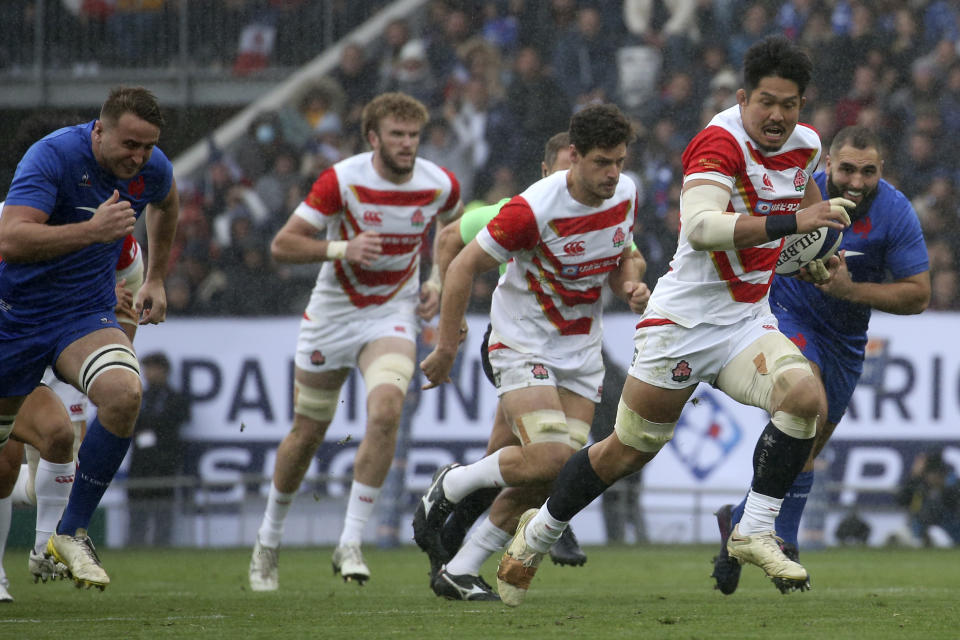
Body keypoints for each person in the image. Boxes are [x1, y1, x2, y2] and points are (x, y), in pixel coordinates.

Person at [493, 35, 856, 607]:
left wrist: (815, 256)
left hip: (744, 323)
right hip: (682, 324)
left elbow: (804, 224)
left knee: (805, 398)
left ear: (802, 107)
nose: (778, 115)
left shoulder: (806, 147)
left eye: (790, 104)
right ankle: (538, 533)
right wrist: (795, 223)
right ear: (743, 97)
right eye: (766, 101)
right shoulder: (718, 141)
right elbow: (702, 229)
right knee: (627, 450)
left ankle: (754, 528)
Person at [417, 103, 648, 601]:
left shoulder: (626, 193)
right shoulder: (531, 209)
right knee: (551, 458)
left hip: (583, 352)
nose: (613, 174)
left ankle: (461, 568)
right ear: (575, 156)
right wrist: (445, 346)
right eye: (602, 163)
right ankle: (453, 483)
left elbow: (621, 254)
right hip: (522, 342)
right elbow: (460, 269)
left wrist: (631, 283)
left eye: (620, 162)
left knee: (550, 475)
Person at [247, 92, 462, 591]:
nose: (407, 144)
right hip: (331, 316)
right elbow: (283, 244)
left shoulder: (439, 184)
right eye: (397, 135)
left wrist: (435, 280)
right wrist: (343, 246)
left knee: (387, 411)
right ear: (373, 138)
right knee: (307, 434)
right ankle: (268, 540)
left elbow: (450, 232)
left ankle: (350, 540)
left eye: (413, 136)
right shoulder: (341, 180)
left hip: (390, 314)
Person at [711, 124, 931, 594]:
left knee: (804, 451)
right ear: (827, 165)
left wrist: (854, 291)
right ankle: (784, 543)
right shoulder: (798, 191)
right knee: (810, 413)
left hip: (847, 340)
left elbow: (919, 294)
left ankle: (738, 522)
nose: (855, 181)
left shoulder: (895, 212)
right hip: (786, 314)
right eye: (847, 169)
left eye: (867, 172)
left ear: (881, 172)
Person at [0, 86, 180, 590]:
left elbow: (168, 201)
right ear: (98, 130)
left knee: (125, 393)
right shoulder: (53, 156)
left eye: (147, 146)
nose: (139, 157)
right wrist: (93, 231)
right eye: (129, 145)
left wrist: (157, 278)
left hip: (82, 315)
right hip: (14, 318)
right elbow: (11, 240)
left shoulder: (153, 167)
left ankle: (71, 531)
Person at [127, 351, 190, 547]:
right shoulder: (139, 397)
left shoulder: (175, 398)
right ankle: (135, 548)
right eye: (146, 369)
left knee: (164, 513)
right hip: (140, 464)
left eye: (152, 369)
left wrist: (152, 427)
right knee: (137, 513)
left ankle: (162, 547)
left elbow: (176, 422)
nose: (148, 373)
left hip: (165, 463)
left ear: (164, 370)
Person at [897, 449, 960, 546]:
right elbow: (901, 500)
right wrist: (913, 478)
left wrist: (940, 488)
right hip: (921, 529)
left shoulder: (952, 483)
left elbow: (950, 505)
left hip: (949, 531)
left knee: (936, 533)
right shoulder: (920, 483)